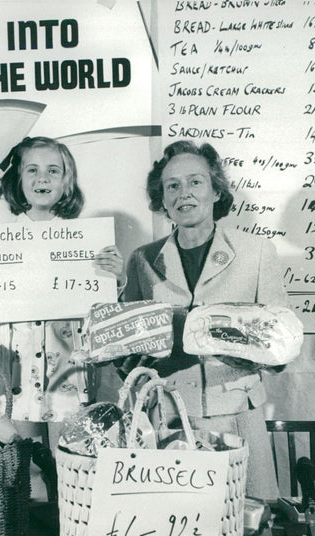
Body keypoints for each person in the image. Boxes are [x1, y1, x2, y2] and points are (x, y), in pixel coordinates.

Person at [120, 139, 288, 500]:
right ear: (161, 199)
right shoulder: (142, 260)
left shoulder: (257, 252)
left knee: (248, 525)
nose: (185, 193)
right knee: (174, 529)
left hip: (237, 414)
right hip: (167, 418)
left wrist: (243, 349)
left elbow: (282, 348)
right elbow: (127, 351)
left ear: (216, 190)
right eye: (172, 186)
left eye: (196, 182)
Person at [0, 136, 125, 450]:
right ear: (18, 180)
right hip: (14, 381)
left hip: (71, 381)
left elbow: (104, 318)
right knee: (22, 472)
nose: (42, 178)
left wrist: (115, 279)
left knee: (71, 469)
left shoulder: (88, 243)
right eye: (32, 170)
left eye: (53, 171)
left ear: (67, 181)